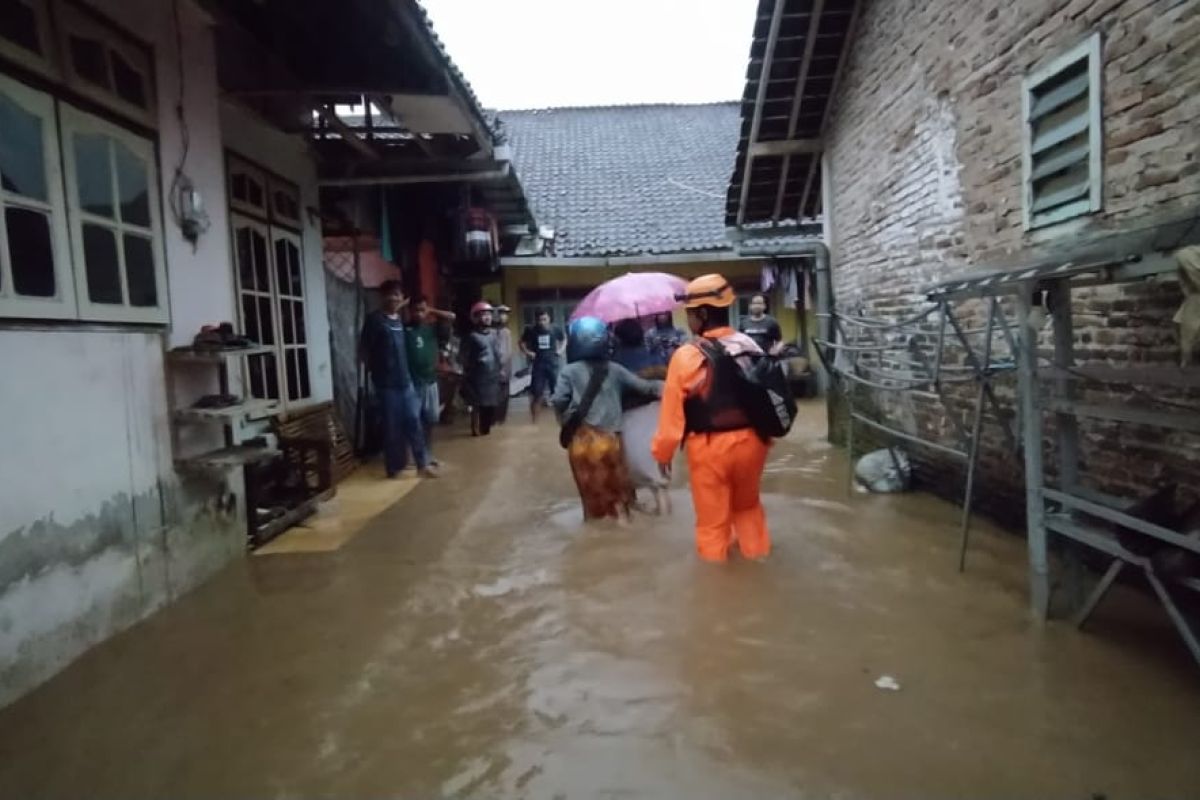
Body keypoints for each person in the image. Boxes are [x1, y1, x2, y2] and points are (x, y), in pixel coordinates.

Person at [652, 274, 770, 562]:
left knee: (713, 524)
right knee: (748, 509)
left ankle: (717, 592)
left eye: (690, 314)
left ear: (703, 314)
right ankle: (759, 561)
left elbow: (671, 422)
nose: (688, 321)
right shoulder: (750, 346)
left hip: (709, 449)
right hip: (754, 443)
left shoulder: (686, 356)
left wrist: (662, 455)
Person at [552, 317, 662, 522]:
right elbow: (645, 387)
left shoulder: (568, 372)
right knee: (620, 500)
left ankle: (595, 541)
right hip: (611, 442)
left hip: (580, 443)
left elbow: (558, 400)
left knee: (590, 502)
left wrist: (566, 417)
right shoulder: (614, 369)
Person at [359, 280, 437, 479]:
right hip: (386, 385)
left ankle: (422, 465)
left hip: (406, 382)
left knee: (414, 421)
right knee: (392, 427)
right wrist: (371, 372)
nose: (394, 298)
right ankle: (394, 468)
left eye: (398, 295)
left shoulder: (399, 320)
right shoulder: (374, 320)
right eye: (390, 294)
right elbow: (364, 351)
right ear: (381, 296)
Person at [611, 318, 671, 514]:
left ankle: (633, 505)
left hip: (629, 417)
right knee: (657, 467)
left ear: (618, 338)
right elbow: (666, 381)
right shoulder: (655, 354)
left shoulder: (615, 361)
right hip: (657, 414)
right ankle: (664, 511)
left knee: (628, 463)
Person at [406, 295, 455, 464]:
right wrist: (405, 304)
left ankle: (428, 455)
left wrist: (431, 310)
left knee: (430, 420)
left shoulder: (431, 328)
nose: (419, 314)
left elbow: (451, 317)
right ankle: (414, 458)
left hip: (431, 380)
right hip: (413, 382)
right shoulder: (405, 329)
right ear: (410, 311)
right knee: (414, 421)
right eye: (415, 310)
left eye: (422, 310)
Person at [462, 301, 501, 436]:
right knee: (478, 407)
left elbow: (498, 355)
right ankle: (476, 432)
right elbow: (464, 358)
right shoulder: (471, 337)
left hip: (493, 377)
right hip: (478, 378)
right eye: (483, 315)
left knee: (490, 410)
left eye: (489, 314)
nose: (487, 317)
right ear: (476, 318)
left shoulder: (495, 334)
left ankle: (485, 433)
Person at [521, 310, 566, 422]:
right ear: (536, 320)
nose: (542, 322)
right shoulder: (531, 330)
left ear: (549, 319)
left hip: (552, 364)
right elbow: (521, 342)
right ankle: (534, 421)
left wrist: (561, 350)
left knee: (557, 393)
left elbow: (564, 338)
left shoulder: (555, 329)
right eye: (540, 320)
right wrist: (528, 352)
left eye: (544, 319)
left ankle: (561, 420)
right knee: (537, 393)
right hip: (538, 365)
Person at [493, 304, 515, 424]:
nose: (504, 316)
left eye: (506, 314)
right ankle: (494, 418)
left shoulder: (506, 332)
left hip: (505, 369)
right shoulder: (492, 332)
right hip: (495, 369)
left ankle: (500, 419)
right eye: (502, 313)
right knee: (496, 394)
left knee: (504, 395)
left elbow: (508, 352)